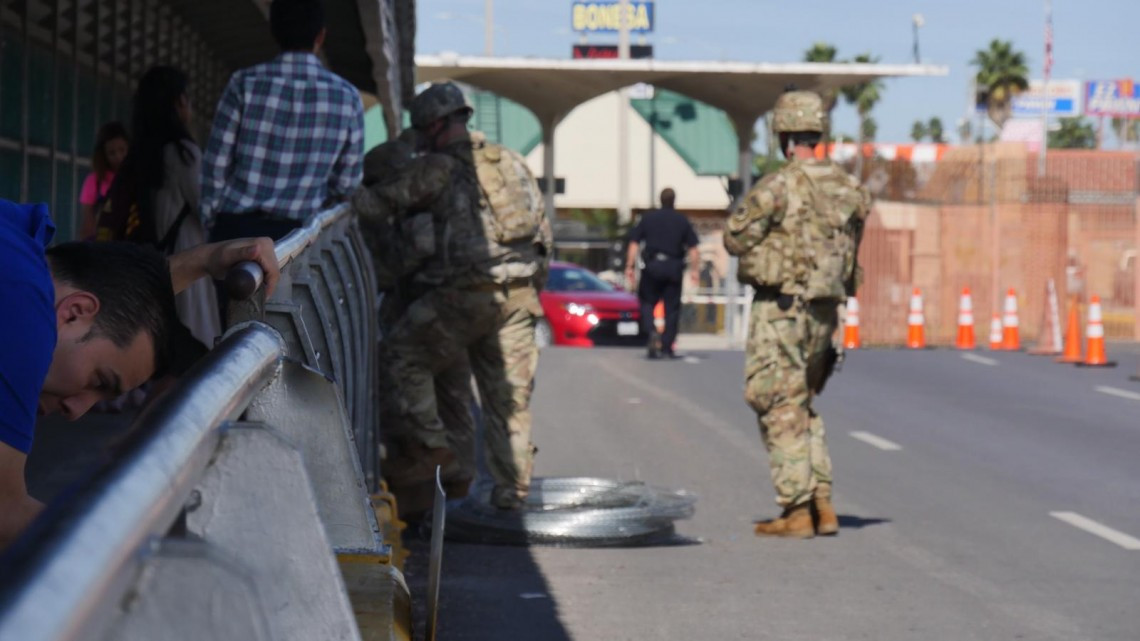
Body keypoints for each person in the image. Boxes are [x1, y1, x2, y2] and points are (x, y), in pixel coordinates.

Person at [0, 199, 280, 550]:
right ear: (73, 313)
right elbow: (5, 514)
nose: (77, 410)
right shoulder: (24, 306)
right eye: (99, 382)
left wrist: (202, 261)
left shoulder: (16, 245)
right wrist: (160, 561)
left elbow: (122, 295)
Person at [363, 82, 551, 510]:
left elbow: (375, 206)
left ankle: (433, 449)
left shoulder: (439, 168)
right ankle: (511, 495)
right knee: (509, 402)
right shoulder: (512, 162)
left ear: (433, 126)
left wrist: (341, 189)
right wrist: (530, 290)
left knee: (400, 355)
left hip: (465, 295)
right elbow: (543, 234)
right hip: (520, 297)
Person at [724, 90, 871, 539]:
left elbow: (734, 238)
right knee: (803, 402)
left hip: (782, 308)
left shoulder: (780, 184)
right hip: (827, 310)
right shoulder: (850, 188)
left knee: (776, 401)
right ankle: (822, 502)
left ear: (786, 136)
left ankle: (797, 509)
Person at [356, 130, 479, 505]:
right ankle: (455, 481)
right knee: (453, 394)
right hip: (450, 310)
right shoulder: (433, 202)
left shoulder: (416, 213)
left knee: (402, 379)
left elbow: (404, 261)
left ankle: (433, 470)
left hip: (428, 310)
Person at [201, 0, 364, 242]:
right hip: (300, 237)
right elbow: (346, 183)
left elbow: (215, 166)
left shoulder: (243, 84)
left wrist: (211, 220)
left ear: (274, 30)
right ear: (320, 36)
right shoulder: (348, 97)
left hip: (235, 230)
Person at [106, 66, 219, 348]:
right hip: (186, 258)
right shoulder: (182, 153)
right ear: (179, 102)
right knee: (193, 349)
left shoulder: (140, 155)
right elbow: (207, 207)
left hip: (150, 264)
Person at [624, 188, 700, 359]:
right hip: (674, 267)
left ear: (660, 200)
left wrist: (629, 266)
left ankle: (651, 331)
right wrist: (695, 271)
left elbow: (634, 243)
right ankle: (667, 346)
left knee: (647, 303)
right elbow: (694, 249)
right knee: (671, 309)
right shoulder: (682, 221)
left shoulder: (648, 219)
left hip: (653, 267)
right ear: (674, 201)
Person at [78, 122, 129, 240]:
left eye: (122, 150)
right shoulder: (94, 181)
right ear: (103, 155)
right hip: (102, 245)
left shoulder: (136, 180)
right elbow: (88, 224)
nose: (119, 157)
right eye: (112, 153)